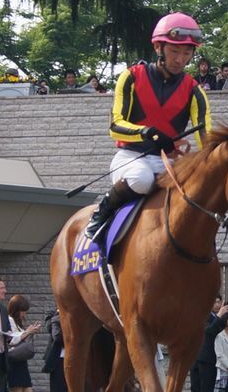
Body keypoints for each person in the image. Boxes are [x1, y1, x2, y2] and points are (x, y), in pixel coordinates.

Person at [84, 12, 210, 241]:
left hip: (170, 163)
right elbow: (115, 125)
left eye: (186, 53)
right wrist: (147, 133)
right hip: (131, 157)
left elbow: (205, 137)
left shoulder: (194, 90)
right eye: (174, 51)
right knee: (142, 180)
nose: (180, 59)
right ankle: (101, 214)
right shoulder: (131, 76)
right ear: (158, 48)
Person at [183, 295, 228, 392]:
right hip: (202, 358)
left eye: (219, 302)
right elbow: (208, 331)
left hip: (210, 358)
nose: (217, 304)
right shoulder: (203, 316)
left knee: (206, 391)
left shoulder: (217, 318)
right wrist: (220, 316)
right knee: (201, 391)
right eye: (214, 301)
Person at [5, 294, 41, 392]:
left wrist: (28, 332)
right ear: (16, 309)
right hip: (13, 361)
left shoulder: (17, 321)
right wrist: (28, 332)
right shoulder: (9, 320)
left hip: (20, 361)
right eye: (23, 310)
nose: (24, 314)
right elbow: (12, 339)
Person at [42, 308, 67, 392]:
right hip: (59, 363)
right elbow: (57, 337)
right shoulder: (55, 317)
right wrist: (75, 335)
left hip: (77, 361)